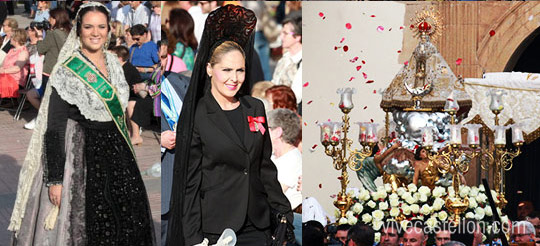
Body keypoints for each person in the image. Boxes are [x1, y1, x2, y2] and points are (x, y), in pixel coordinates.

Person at [8, 3, 154, 245]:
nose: (95, 33)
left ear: (109, 30)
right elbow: (54, 127)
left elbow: (119, 104)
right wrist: (55, 179)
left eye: (101, 27)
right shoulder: (67, 71)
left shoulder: (113, 63)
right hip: (82, 160)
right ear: (78, 30)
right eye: (88, 27)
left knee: (129, 224)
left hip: (119, 159)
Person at [166, 5, 293, 246]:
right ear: (209, 69)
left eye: (240, 70)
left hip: (258, 224)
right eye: (226, 70)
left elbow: (264, 167)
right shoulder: (198, 114)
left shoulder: (255, 107)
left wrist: (283, 212)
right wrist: (194, 238)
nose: (234, 78)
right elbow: (190, 181)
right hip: (216, 229)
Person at [25, 7, 71, 130]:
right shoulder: (68, 32)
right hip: (63, 72)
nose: (49, 20)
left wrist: (40, 37)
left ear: (56, 19)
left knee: (47, 100)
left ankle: (45, 122)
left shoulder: (52, 33)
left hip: (50, 71)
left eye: (51, 17)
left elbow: (41, 49)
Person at [268, 108, 302, 245]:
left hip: (285, 226)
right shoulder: (273, 157)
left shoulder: (292, 159)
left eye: (266, 127)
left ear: (277, 132)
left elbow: (273, 193)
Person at [271, 11, 302, 104]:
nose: (281, 37)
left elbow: (296, 97)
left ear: (297, 37)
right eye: (281, 33)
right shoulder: (284, 58)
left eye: (285, 33)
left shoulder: (302, 63)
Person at [0, 28, 29, 102]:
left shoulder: (23, 52)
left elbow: (17, 68)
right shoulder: (11, 50)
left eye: (12, 37)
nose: (10, 38)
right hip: (5, 76)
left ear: (16, 39)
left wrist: (3, 71)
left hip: (15, 80)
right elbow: (3, 64)